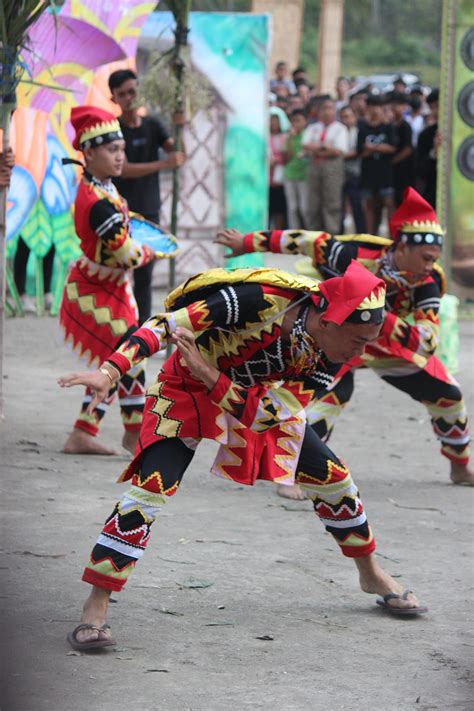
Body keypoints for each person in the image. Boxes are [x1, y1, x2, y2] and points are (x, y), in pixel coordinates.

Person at [60, 260, 428, 649]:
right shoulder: (253, 301)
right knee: (151, 488)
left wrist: (212, 375)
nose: (363, 351)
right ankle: (96, 604)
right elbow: (165, 324)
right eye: (359, 340)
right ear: (327, 323)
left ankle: (370, 572)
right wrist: (110, 371)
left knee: (334, 478)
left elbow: (270, 415)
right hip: (185, 388)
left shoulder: (332, 356)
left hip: (249, 400)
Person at [217, 187, 472, 487]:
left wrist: (376, 314)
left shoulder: (426, 284)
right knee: (324, 399)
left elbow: (427, 342)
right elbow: (306, 240)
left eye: (434, 260)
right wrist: (247, 242)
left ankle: (459, 465)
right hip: (334, 339)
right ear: (401, 247)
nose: (430, 267)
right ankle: (298, 476)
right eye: (426, 258)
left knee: (448, 393)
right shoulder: (351, 254)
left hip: (382, 344)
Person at [59, 106, 163, 456]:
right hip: (96, 290)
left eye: (121, 149)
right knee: (128, 353)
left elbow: (126, 224)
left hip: (111, 288)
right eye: (112, 150)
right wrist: (151, 251)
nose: (121, 156)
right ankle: (127, 433)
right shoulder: (95, 201)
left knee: (121, 356)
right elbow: (126, 254)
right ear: (88, 153)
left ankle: (90, 432)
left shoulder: (101, 186)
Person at [108, 69, 185, 324]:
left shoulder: (154, 125)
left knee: (144, 277)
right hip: (121, 213)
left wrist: (180, 126)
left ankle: (142, 330)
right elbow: (125, 170)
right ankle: (119, 328)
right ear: (114, 99)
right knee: (117, 275)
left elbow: (178, 153)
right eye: (123, 94)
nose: (130, 97)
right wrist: (163, 164)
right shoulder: (114, 129)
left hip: (150, 212)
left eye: (133, 91)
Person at [302, 98, 349, 233]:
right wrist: (325, 147)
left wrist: (318, 147)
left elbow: (338, 150)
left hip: (332, 166)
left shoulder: (340, 129)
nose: (327, 112)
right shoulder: (313, 128)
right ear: (319, 111)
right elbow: (305, 145)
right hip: (314, 165)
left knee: (332, 202)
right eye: (324, 109)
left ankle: (331, 233)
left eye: (330, 108)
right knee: (313, 202)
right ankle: (313, 233)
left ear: (335, 111)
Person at [358, 94, 396, 233]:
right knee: (369, 206)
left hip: (385, 172)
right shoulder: (363, 128)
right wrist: (381, 148)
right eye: (372, 106)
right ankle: (371, 237)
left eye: (378, 107)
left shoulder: (388, 127)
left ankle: (392, 238)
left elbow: (392, 148)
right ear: (367, 108)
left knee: (389, 203)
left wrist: (372, 148)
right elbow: (359, 151)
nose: (375, 110)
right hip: (368, 173)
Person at [339, 104, 366, 233]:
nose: (346, 120)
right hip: (340, 173)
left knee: (357, 205)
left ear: (355, 117)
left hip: (355, 173)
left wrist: (340, 154)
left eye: (348, 116)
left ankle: (361, 233)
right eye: (343, 117)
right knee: (338, 206)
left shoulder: (360, 131)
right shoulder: (338, 131)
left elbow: (358, 151)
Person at [282, 109, 309, 229]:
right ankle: (294, 232)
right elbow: (286, 157)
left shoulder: (308, 136)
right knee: (292, 208)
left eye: (299, 121)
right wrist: (289, 140)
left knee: (305, 208)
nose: (296, 124)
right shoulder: (289, 138)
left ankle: (308, 232)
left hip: (305, 176)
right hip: (290, 175)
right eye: (293, 121)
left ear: (305, 121)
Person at [416, 89, 439, 208]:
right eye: (432, 107)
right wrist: (434, 152)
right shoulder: (426, 135)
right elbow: (421, 170)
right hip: (433, 194)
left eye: (439, 106)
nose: (436, 111)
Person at [390, 92, 415, 206]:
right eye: (393, 105)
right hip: (392, 173)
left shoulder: (406, 126)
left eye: (398, 105)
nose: (395, 108)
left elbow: (408, 149)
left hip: (404, 170)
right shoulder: (390, 125)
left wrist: (393, 161)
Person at [269, 108, 289, 229]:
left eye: (276, 121)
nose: (273, 124)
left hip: (281, 177)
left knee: (279, 209)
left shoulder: (285, 137)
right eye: (271, 121)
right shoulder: (265, 137)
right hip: (268, 178)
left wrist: (277, 161)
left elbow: (287, 154)